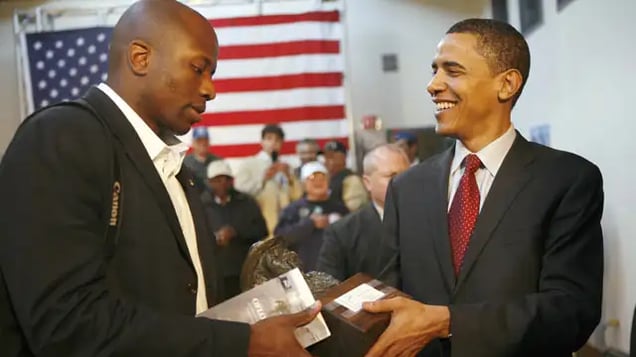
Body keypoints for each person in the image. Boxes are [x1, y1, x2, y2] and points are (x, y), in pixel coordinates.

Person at [0, 1, 320, 356]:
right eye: (199, 68)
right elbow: (66, 323)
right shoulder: (61, 136)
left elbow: (186, 303)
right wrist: (241, 343)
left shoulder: (173, 167)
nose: (210, 89)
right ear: (140, 58)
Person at [363, 18, 604, 357]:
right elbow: (389, 296)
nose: (433, 85)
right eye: (434, 70)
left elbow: (571, 311)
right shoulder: (406, 188)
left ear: (506, 84)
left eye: (453, 71)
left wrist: (448, 322)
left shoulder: (567, 180)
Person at [316, 144, 409, 281]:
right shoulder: (342, 232)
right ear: (367, 182)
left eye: (407, 175)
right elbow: (327, 288)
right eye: (392, 176)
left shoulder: (431, 221)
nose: (403, 182)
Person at [201, 160, 268, 301]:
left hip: (243, 271)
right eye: (217, 180)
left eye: (226, 179)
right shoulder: (200, 205)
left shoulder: (246, 202)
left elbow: (262, 230)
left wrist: (236, 232)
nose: (222, 183)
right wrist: (214, 238)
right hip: (213, 274)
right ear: (209, 182)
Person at [274, 161, 348, 272]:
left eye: (322, 178)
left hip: (336, 272)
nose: (318, 182)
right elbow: (280, 237)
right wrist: (310, 223)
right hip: (304, 273)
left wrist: (338, 225)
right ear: (303, 183)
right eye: (312, 178)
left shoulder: (339, 208)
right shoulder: (293, 210)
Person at [233, 124, 302, 235]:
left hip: (287, 229)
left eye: (277, 140)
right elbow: (239, 192)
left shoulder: (287, 168)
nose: (273, 143)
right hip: (260, 228)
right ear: (262, 141)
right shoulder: (249, 164)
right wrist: (263, 179)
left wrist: (290, 178)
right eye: (269, 138)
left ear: (281, 143)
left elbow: (298, 197)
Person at [322, 140, 368, 212]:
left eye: (332, 157)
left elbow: (354, 208)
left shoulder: (351, 179)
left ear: (344, 158)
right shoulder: (326, 178)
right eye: (326, 157)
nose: (328, 161)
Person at [183, 126, 220, 193]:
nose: (203, 143)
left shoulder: (217, 162)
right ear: (193, 143)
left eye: (205, 140)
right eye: (199, 140)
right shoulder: (185, 163)